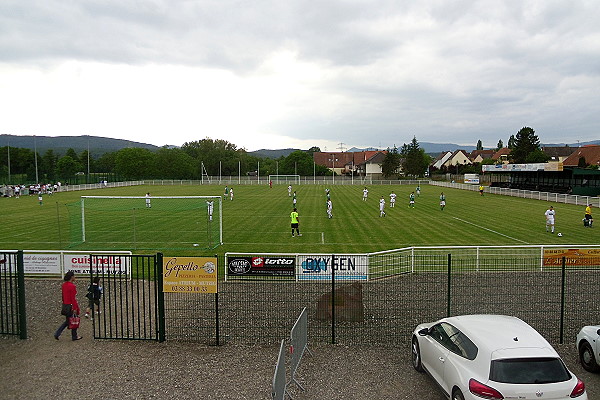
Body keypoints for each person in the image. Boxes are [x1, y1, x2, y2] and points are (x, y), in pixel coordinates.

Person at [54, 271, 82, 341]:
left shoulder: (64, 285)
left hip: (66, 304)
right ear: (71, 277)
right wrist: (75, 308)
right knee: (73, 320)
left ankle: (58, 333)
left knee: (68, 321)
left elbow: (63, 296)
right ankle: (74, 336)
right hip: (71, 305)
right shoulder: (72, 286)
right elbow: (73, 298)